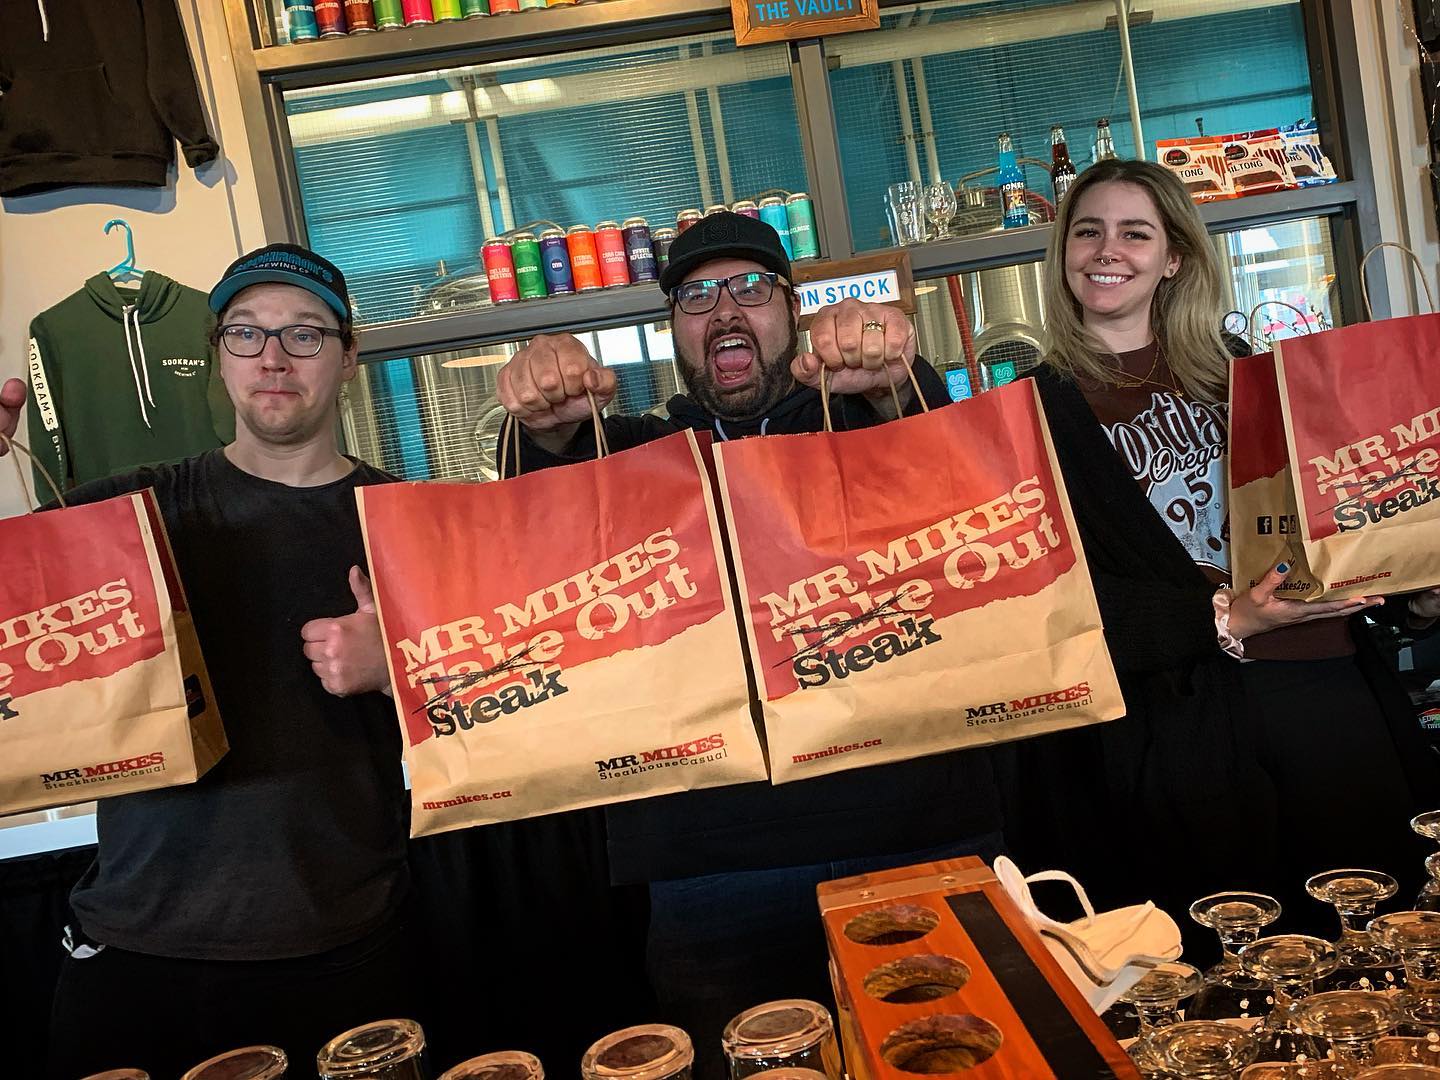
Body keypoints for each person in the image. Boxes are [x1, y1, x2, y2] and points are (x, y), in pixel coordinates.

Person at [496, 211, 1007, 1079]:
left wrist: (896, 378)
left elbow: (968, 485)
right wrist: (547, 420)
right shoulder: (631, 455)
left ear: (793, 311)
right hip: (708, 864)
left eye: (750, 287)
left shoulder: (863, 418)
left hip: (913, 826)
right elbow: (535, 527)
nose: (725, 310)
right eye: (696, 296)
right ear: (671, 330)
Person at [1000, 159, 1440, 951]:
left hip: (1327, 686)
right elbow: (1047, 601)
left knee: (1380, 938)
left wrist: (1413, 592)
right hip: (1183, 724)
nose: (1107, 250)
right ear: (1063, 253)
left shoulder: (1241, 366)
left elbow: (1326, 521)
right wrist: (1224, 617)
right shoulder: (1034, 409)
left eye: (1135, 233)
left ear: (1174, 256)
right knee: (1238, 957)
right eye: (1088, 232)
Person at [2, 244, 416, 1078]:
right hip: (137, 947)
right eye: (246, 333)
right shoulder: (129, 511)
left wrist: (398, 664)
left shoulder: (407, 520)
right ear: (219, 356)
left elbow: (496, 706)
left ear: (348, 357)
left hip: (344, 941)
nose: (273, 357)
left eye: (305, 334)